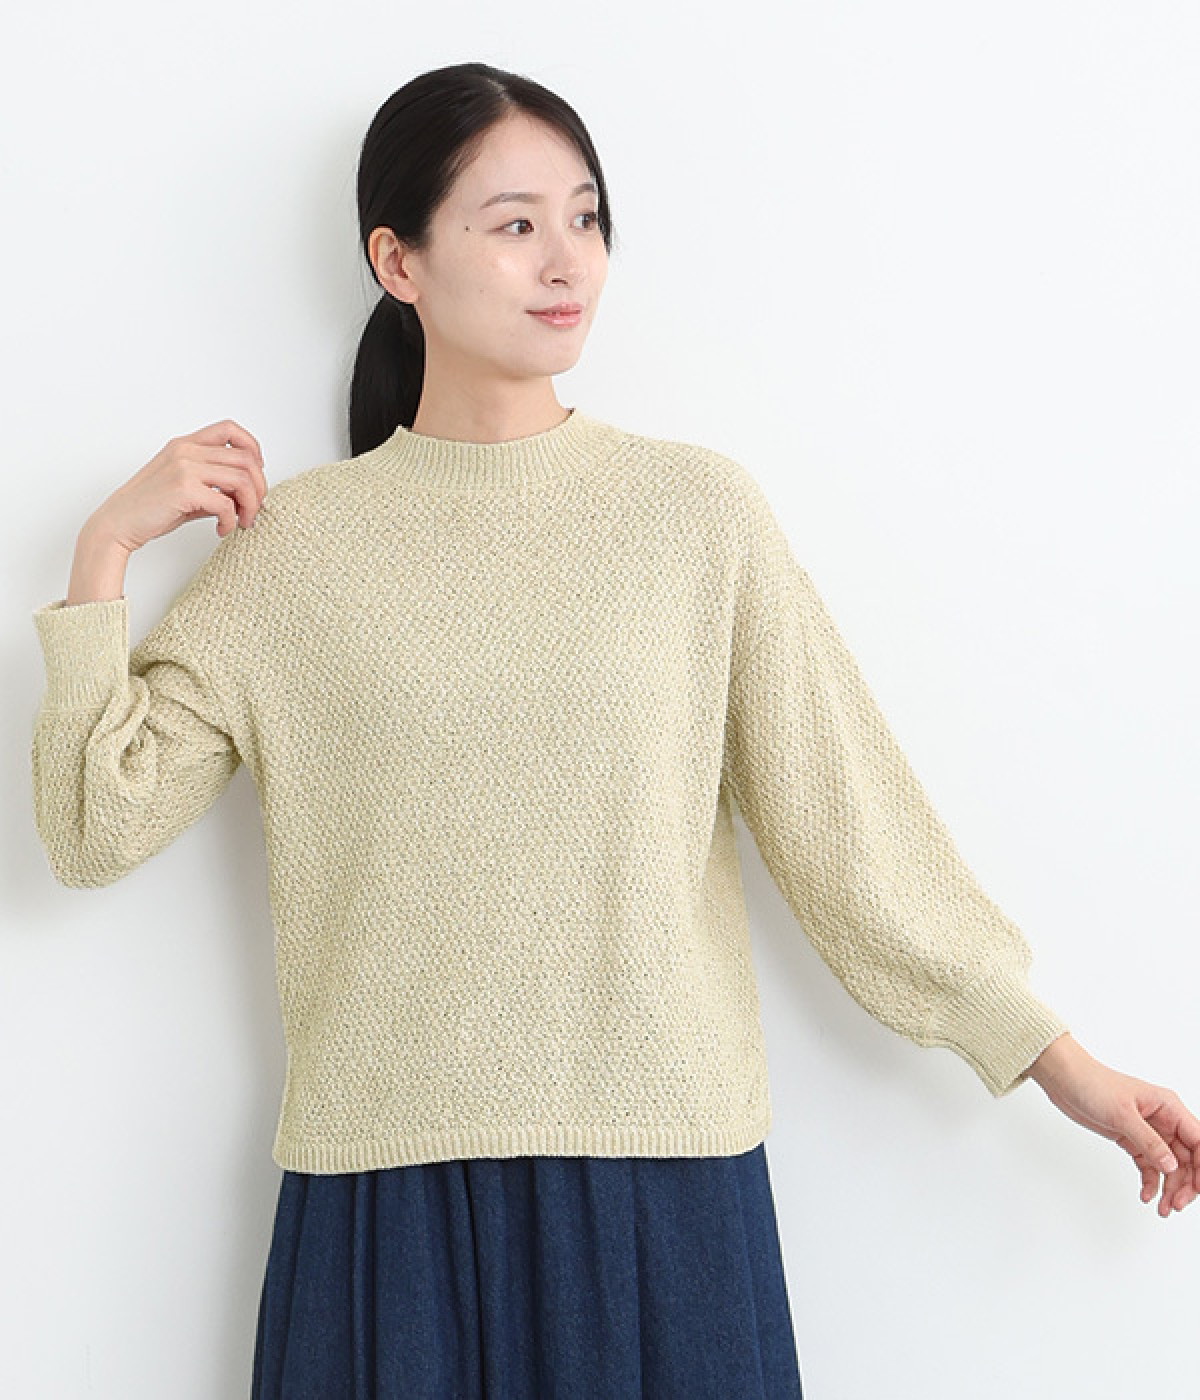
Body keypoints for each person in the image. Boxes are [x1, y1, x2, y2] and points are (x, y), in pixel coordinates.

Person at [30, 60, 1198, 1399]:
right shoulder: (292, 553)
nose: (565, 258)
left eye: (585, 218)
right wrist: (105, 550)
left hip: (666, 1191)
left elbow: (850, 834)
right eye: (515, 222)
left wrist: (1058, 1063)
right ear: (398, 262)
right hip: (387, 1198)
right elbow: (92, 829)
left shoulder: (697, 517)